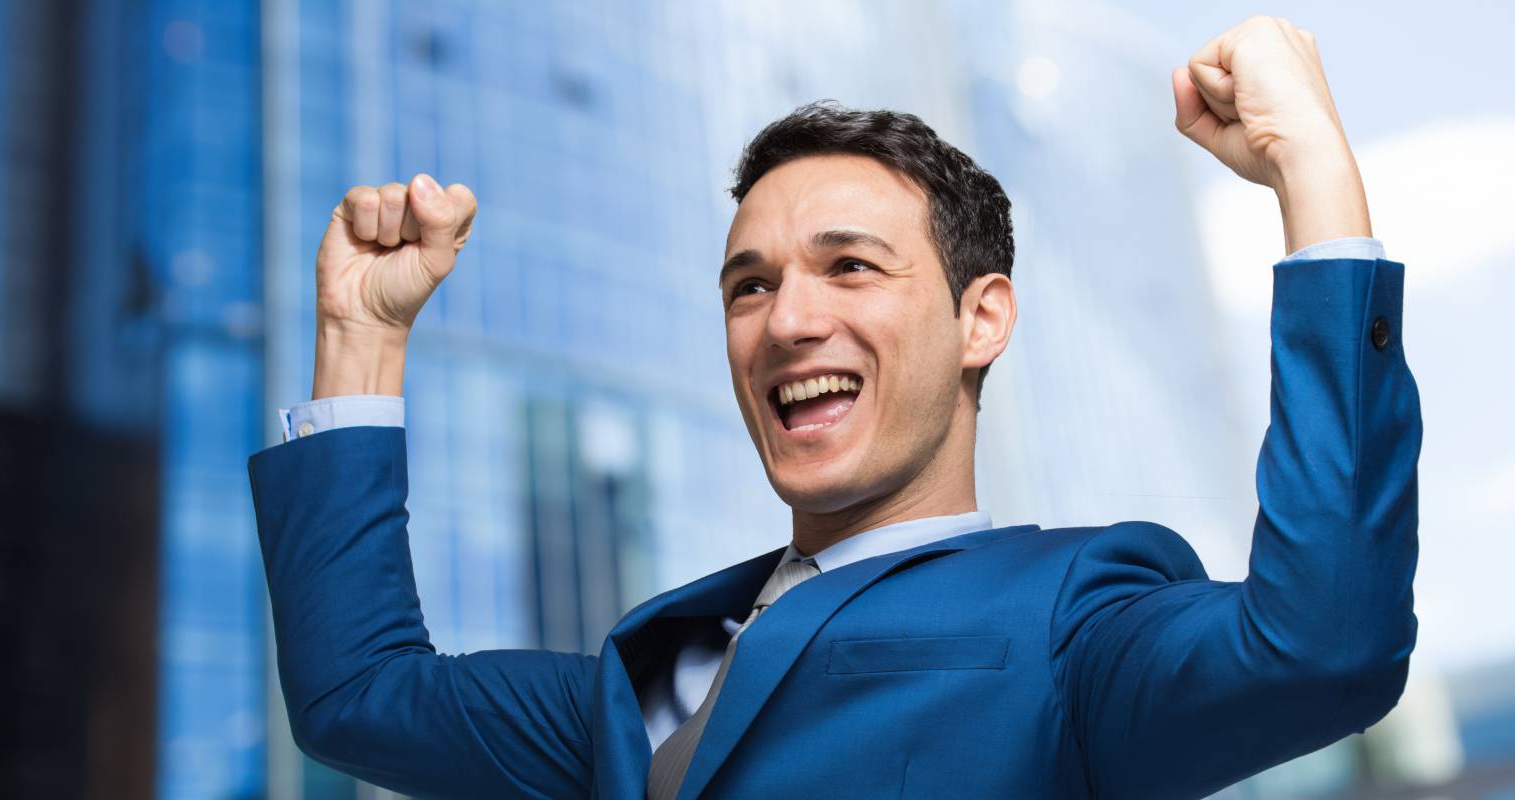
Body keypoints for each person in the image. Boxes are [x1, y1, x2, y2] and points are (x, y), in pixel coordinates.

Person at [247, 16, 1420, 799]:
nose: (787, 319)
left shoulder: (1075, 619)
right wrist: (362, 332)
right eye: (748, 284)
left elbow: (1320, 646)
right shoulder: (650, 661)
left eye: (849, 266)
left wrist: (1313, 176)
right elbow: (359, 697)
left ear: (983, 319)